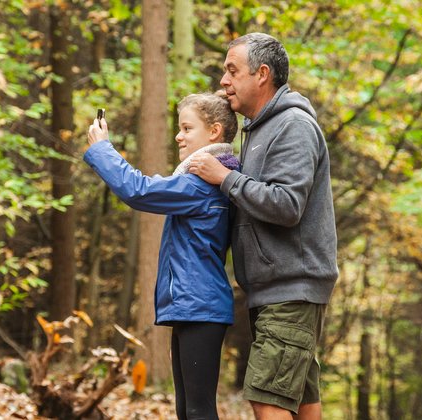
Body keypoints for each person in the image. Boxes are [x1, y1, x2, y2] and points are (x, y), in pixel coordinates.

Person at [188, 33, 339, 420]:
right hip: (277, 287)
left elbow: (287, 205)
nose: (223, 80)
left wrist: (224, 178)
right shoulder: (259, 128)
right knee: (302, 400)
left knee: (266, 398)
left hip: (291, 287)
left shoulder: (292, 126)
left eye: (232, 70)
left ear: (262, 74)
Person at [84, 92, 241, 420]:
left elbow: (139, 190)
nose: (178, 135)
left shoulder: (201, 186)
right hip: (192, 307)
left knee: (198, 411)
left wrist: (102, 149)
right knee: (187, 410)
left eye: (186, 128)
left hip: (202, 308)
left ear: (214, 132)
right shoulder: (202, 181)